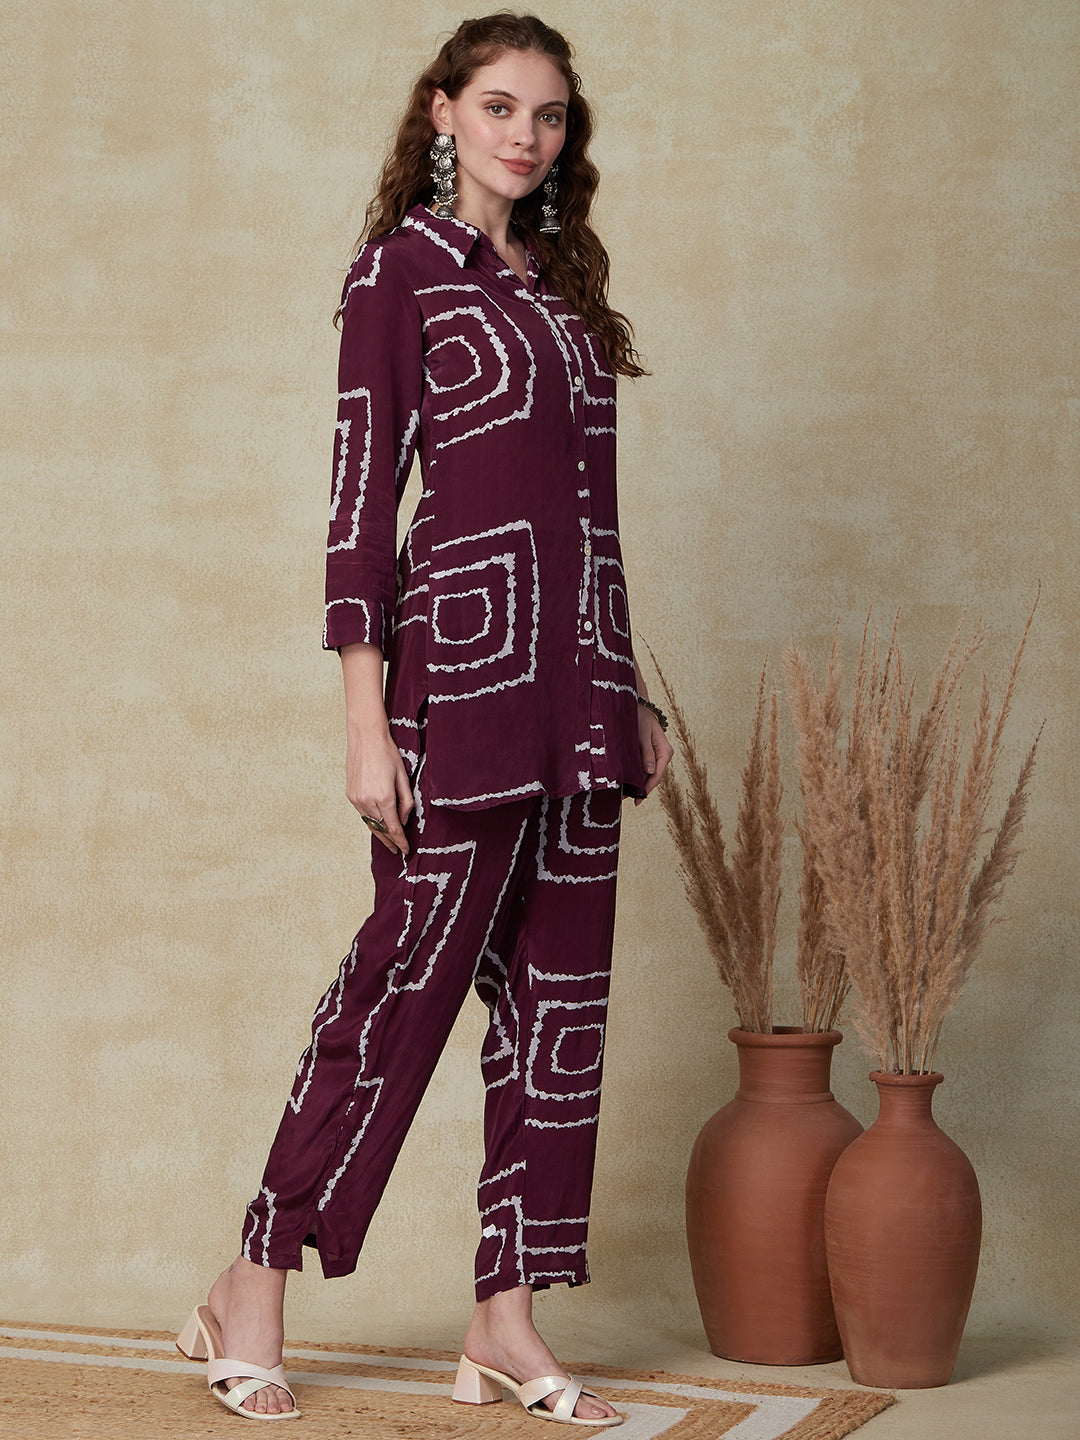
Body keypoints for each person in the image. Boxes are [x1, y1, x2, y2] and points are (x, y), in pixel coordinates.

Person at [177, 11, 673, 1425]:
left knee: (560, 1003)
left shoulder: (562, 293)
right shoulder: (399, 273)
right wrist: (365, 718)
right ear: (444, 111)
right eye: (501, 106)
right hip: (458, 691)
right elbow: (358, 505)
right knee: (401, 986)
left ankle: (505, 1319)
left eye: (550, 115)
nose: (527, 135)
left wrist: (624, 685)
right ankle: (254, 1275)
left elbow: (589, 519)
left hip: (578, 698)